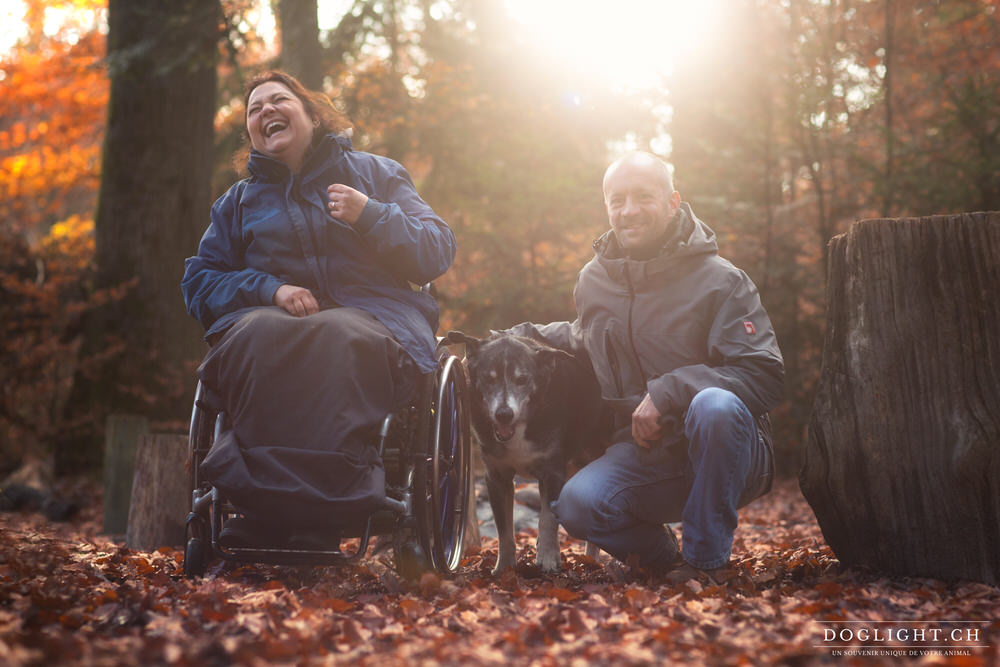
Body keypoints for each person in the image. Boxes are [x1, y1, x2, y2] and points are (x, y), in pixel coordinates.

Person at [181, 71, 456, 547]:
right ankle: (261, 507)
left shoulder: (376, 174)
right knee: (256, 336)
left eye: (278, 100)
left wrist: (371, 214)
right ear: (250, 134)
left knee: (340, 336)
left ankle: (328, 508)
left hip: (376, 316)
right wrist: (269, 289)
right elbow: (200, 282)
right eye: (254, 109)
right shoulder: (237, 203)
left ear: (311, 114)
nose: (265, 110)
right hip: (273, 319)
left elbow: (436, 249)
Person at [509, 151, 783, 579]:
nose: (629, 210)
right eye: (618, 200)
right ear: (606, 207)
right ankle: (665, 562)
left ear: (673, 202)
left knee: (715, 405)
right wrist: (511, 337)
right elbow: (585, 336)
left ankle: (706, 564)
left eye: (643, 197)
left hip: (730, 453)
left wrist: (667, 391)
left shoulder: (723, 281)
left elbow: (763, 375)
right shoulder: (594, 280)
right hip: (646, 454)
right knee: (577, 505)